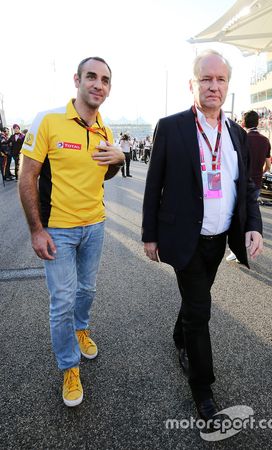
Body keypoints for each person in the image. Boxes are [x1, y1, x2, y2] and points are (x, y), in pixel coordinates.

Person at [142, 50, 263, 424]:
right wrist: (150, 234)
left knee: (197, 301)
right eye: (206, 79)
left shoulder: (237, 134)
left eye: (220, 80)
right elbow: (154, 183)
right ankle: (203, 390)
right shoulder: (172, 126)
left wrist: (253, 225)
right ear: (192, 84)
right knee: (200, 310)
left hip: (219, 239)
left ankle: (180, 335)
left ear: (227, 85)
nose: (214, 86)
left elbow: (246, 188)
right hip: (184, 238)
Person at [19, 56, 124, 407]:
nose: (98, 84)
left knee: (87, 289)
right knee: (61, 301)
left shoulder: (105, 131)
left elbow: (103, 175)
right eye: (91, 77)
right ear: (76, 80)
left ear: (109, 89)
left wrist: (118, 161)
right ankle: (69, 366)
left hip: (95, 225)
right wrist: (36, 230)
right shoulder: (48, 120)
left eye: (105, 80)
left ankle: (81, 329)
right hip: (58, 231)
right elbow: (27, 175)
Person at [226, 110, 271, 262]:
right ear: (258, 122)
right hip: (256, 182)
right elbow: (268, 165)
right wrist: (259, 173)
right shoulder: (265, 140)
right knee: (249, 215)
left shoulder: (239, 136)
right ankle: (245, 247)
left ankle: (235, 249)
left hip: (239, 183)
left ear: (243, 122)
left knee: (236, 215)